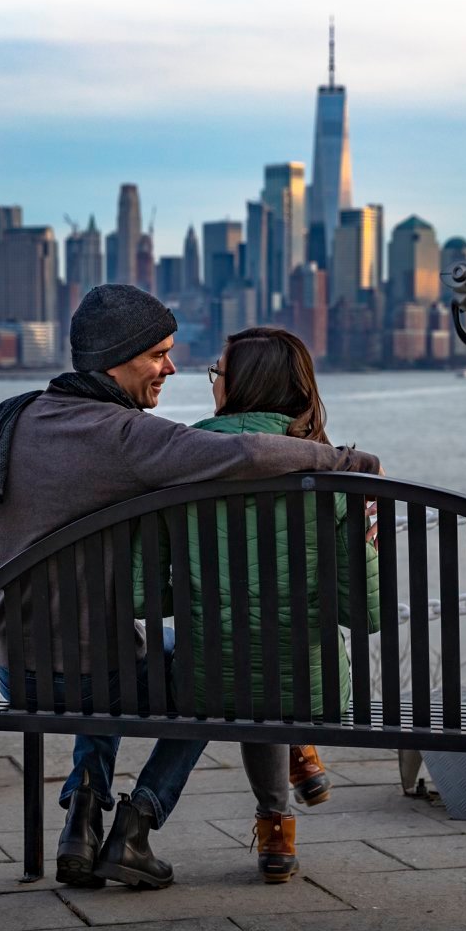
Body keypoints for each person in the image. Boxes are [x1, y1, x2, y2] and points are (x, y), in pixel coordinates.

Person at [0, 285, 382, 892]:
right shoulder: (126, 437)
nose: (171, 367)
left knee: (118, 648)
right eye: (160, 354)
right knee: (212, 671)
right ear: (122, 355)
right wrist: (348, 463)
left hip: (8, 668)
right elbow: (243, 452)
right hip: (86, 673)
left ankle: (84, 810)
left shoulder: (19, 415)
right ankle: (136, 825)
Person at [152, 327, 381, 882]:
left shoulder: (179, 459)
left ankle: (278, 819)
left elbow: (146, 595)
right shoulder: (336, 473)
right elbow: (365, 612)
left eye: (217, 374)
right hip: (313, 683)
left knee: (240, 650)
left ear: (236, 385)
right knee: (278, 653)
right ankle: (288, 790)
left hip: (204, 681)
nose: (213, 384)